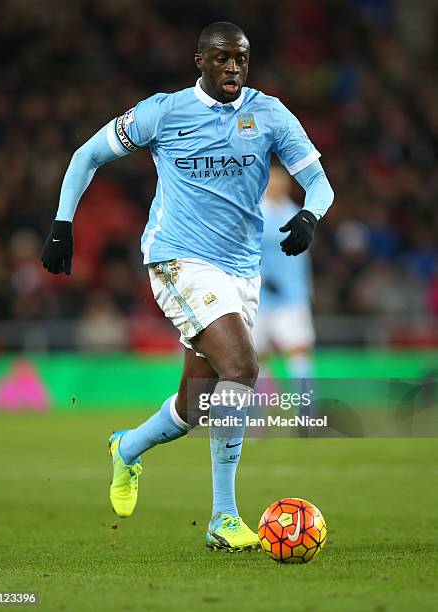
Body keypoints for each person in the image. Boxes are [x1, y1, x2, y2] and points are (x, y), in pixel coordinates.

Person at [41, 22, 334, 551]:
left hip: (241, 270)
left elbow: (319, 182)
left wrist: (311, 216)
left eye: (242, 58)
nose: (233, 68)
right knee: (243, 367)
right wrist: (64, 223)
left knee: (196, 405)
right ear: (199, 60)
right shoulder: (163, 111)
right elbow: (87, 155)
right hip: (178, 259)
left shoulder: (268, 114)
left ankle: (126, 448)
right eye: (222, 58)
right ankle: (224, 517)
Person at [253, 165, 315, 381]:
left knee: (298, 349)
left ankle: (306, 408)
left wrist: (306, 289)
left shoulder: (298, 213)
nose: (277, 186)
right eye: (273, 182)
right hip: (258, 297)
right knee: (256, 356)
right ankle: (260, 408)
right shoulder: (255, 214)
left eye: (281, 182)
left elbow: (303, 258)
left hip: (292, 296)